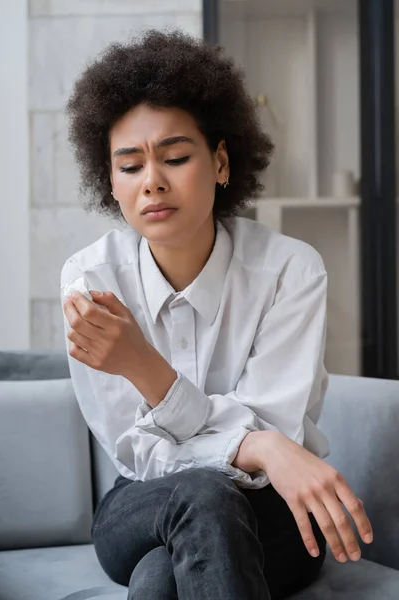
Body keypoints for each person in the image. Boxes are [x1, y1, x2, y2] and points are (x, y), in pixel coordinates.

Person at [60, 29, 373, 600]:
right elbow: (140, 451)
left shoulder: (289, 271)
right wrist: (259, 445)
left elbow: (275, 431)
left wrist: (148, 372)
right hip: (141, 501)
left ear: (221, 161)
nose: (152, 180)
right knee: (201, 495)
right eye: (129, 167)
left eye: (176, 157)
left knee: (160, 578)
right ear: (111, 181)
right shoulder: (91, 281)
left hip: (272, 517)